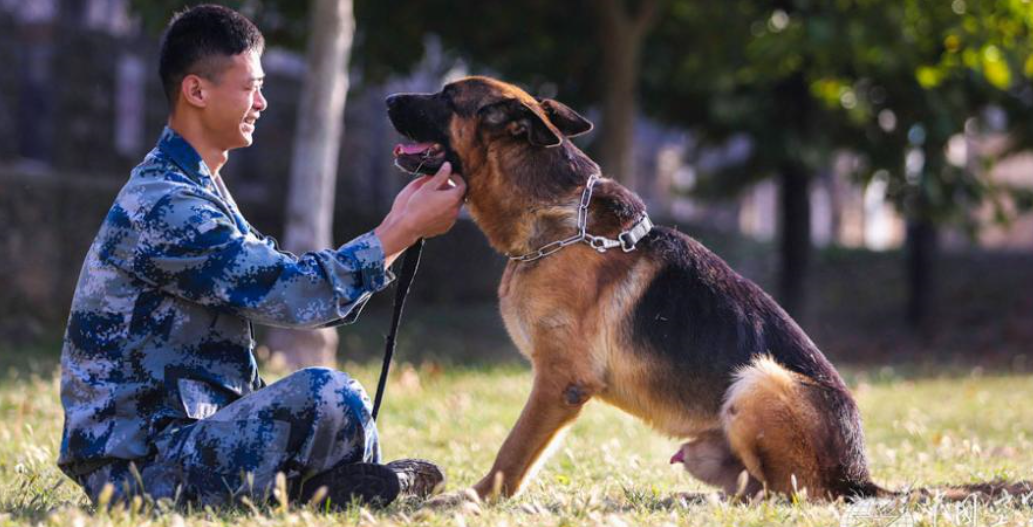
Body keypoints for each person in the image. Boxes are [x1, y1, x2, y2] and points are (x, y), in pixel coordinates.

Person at [57, 4, 465, 509]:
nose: (263, 103)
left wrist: (396, 232)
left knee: (331, 406)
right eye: (250, 87)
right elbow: (286, 291)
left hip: (177, 443)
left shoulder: (195, 189)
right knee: (328, 396)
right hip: (137, 471)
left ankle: (338, 491)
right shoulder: (166, 205)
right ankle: (352, 489)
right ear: (197, 91)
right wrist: (396, 232)